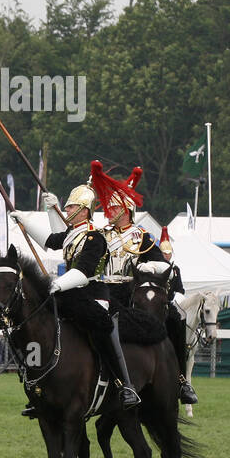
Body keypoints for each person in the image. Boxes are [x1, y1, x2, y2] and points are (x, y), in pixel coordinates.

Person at [11, 164, 139, 414]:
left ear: (83, 210)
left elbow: (83, 272)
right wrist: (25, 220)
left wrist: (56, 284)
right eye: (66, 206)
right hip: (70, 294)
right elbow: (51, 240)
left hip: (92, 295)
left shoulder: (94, 237)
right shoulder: (74, 233)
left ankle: (124, 384)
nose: (67, 210)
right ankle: (38, 387)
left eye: (70, 207)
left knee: (101, 330)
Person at [98, 166, 196, 405]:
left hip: (132, 291)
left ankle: (182, 380)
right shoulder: (100, 234)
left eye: (114, 208)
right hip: (103, 289)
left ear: (127, 210)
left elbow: (162, 264)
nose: (109, 212)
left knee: (176, 318)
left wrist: (146, 269)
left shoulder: (142, 236)